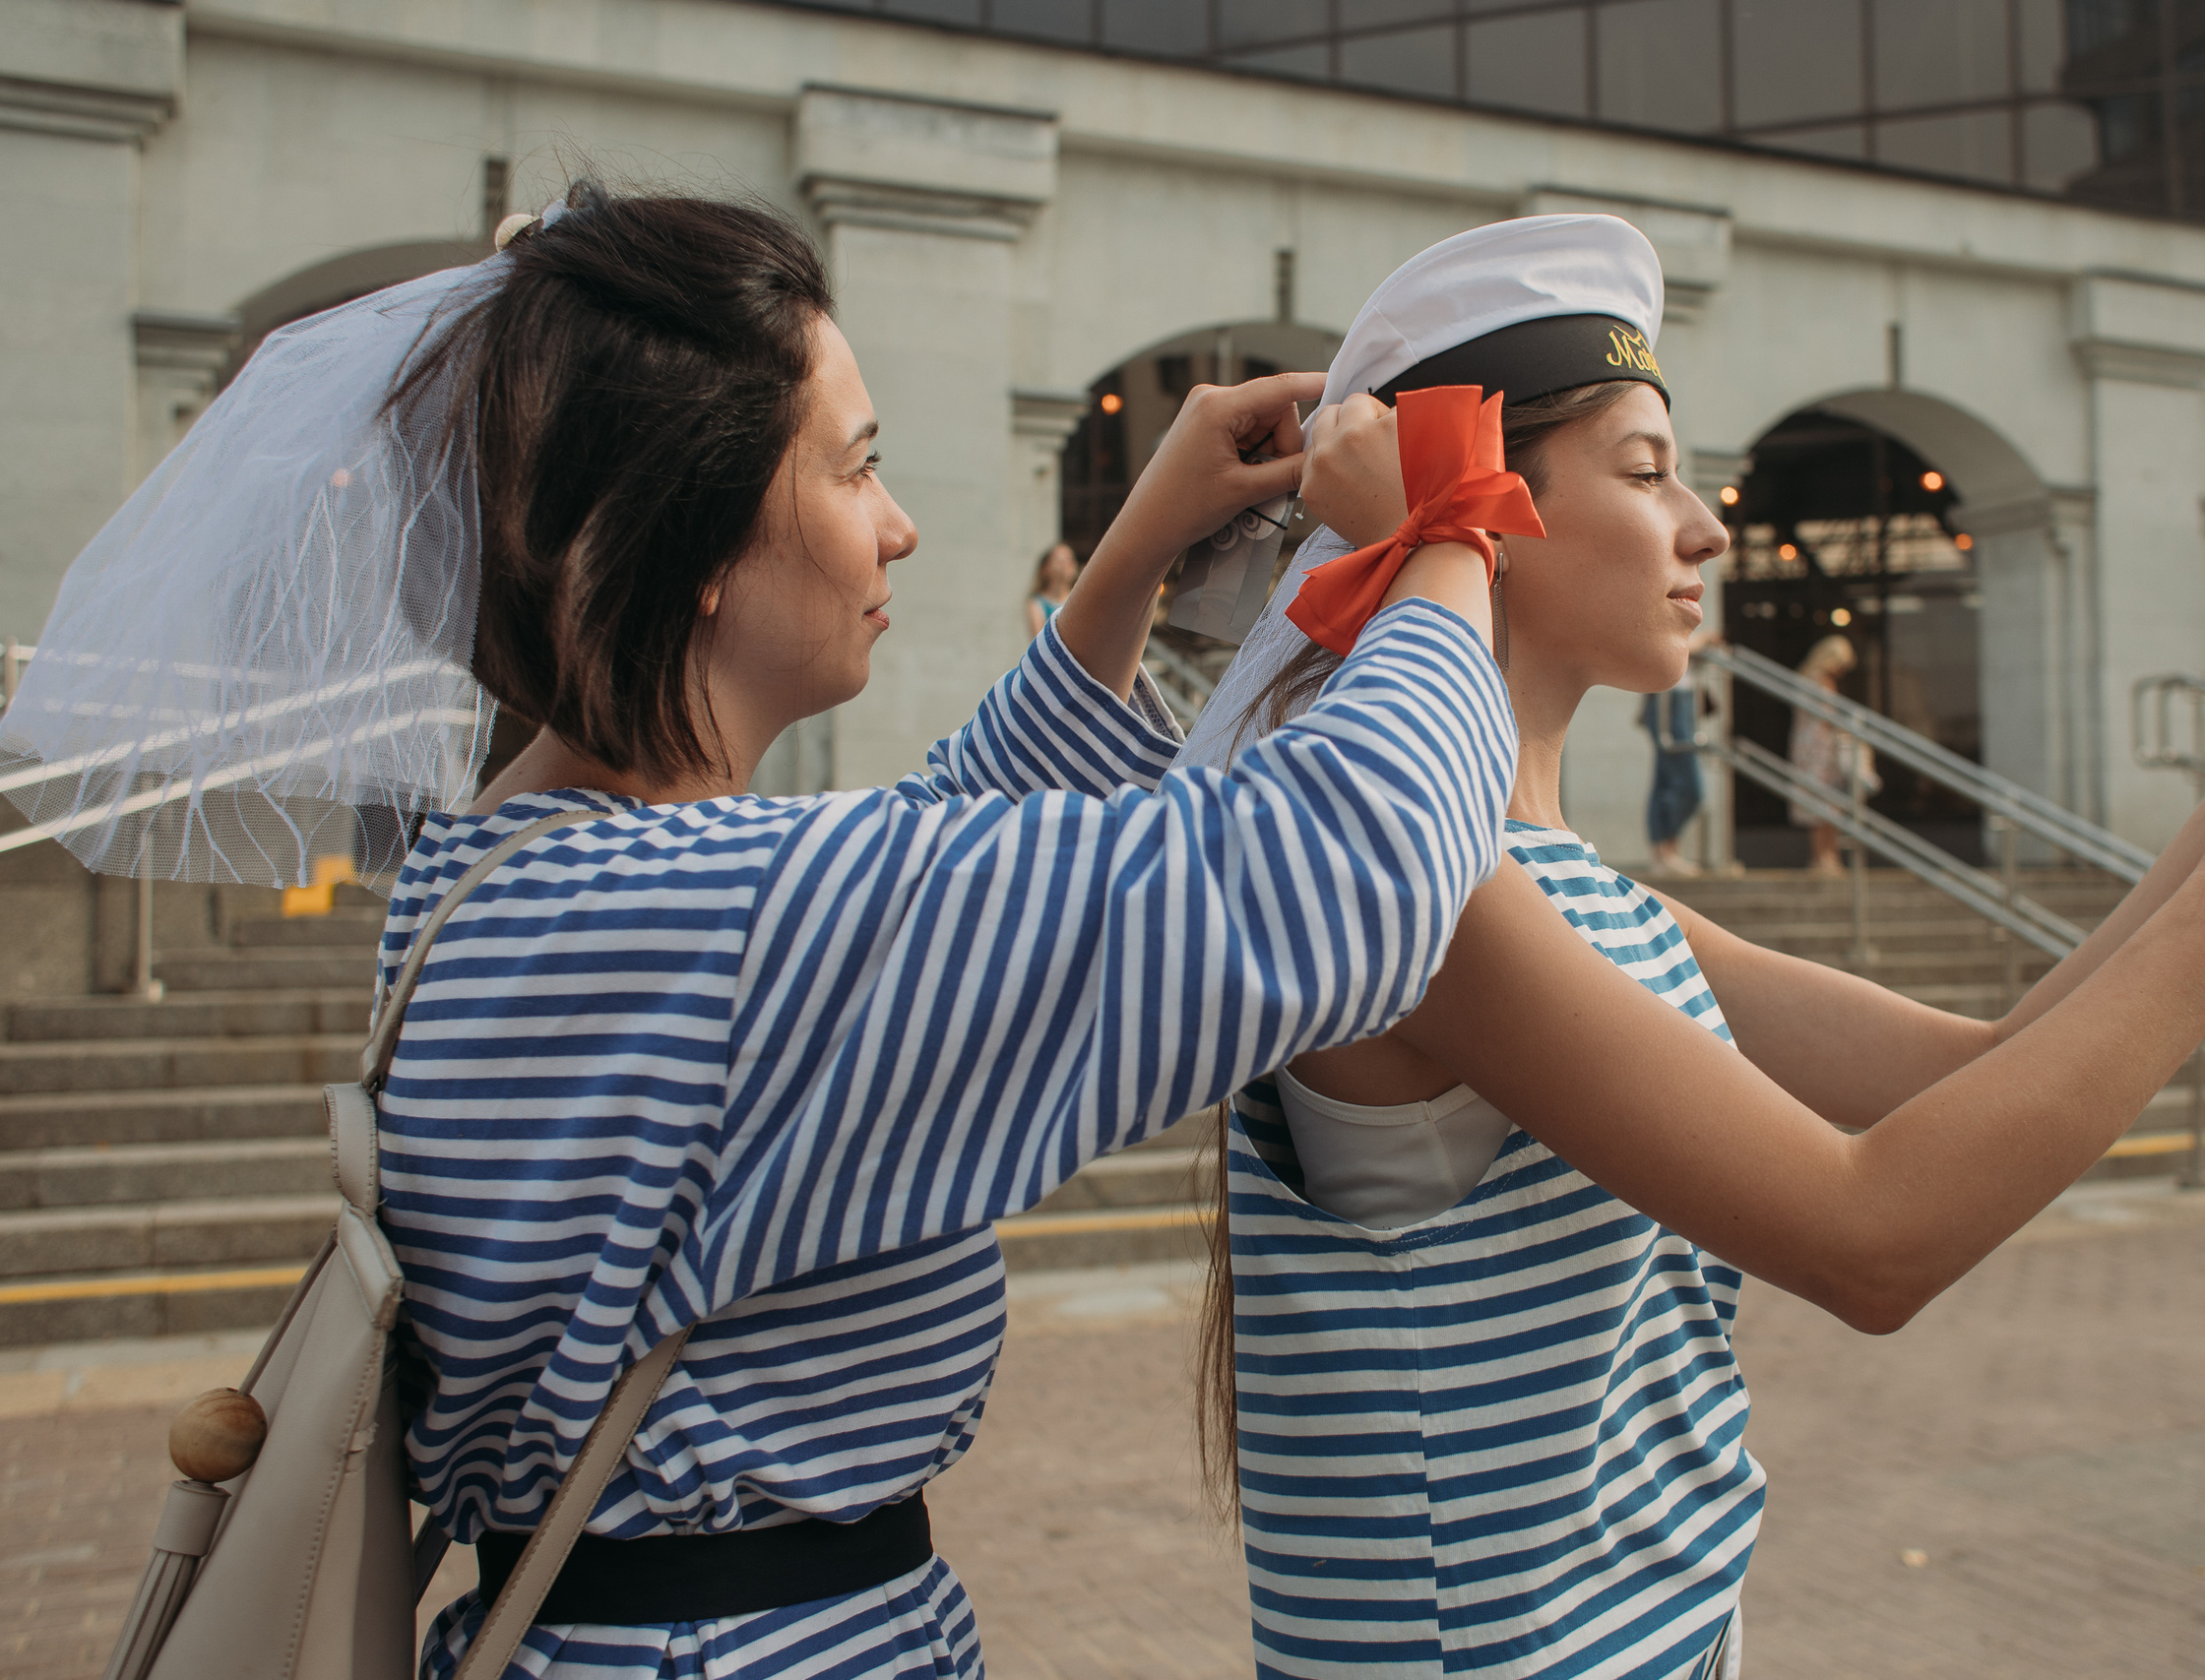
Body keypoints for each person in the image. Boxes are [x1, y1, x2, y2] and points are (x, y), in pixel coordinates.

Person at [0, 181, 1517, 1680]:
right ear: (703, 537)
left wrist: (1127, 562)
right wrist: (1443, 535)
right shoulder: (720, 918)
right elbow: (1348, 870)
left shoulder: (500, 881)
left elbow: (899, 878)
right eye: (857, 471)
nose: (903, 526)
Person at [1174, 215, 2205, 1679]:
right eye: (1644, 471)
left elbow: (1980, 1071)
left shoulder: (1561, 885)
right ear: (1476, 507)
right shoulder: (1423, 892)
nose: (1707, 522)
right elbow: (1872, 1234)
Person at [1639, 619, 1721, 874]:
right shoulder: (1666, 618)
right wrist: (1703, 640)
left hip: (1680, 701)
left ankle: (1665, 852)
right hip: (1668, 703)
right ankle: (1665, 849)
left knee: (1665, 783)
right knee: (1689, 788)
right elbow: (1665, 649)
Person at [1787, 630, 1870, 876]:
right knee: (1824, 804)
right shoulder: (1819, 680)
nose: (1841, 671)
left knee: (1820, 804)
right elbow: (1826, 717)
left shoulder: (1804, 677)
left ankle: (1825, 857)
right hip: (1820, 748)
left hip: (1807, 746)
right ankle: (1825, 857)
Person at [1024, 538, 1079, 636]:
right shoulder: (1037, 603)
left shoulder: (1079, 599)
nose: (1066, 564)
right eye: (1060, 560)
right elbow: (1038, 638)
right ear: (1045, 569)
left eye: (1070, 560)